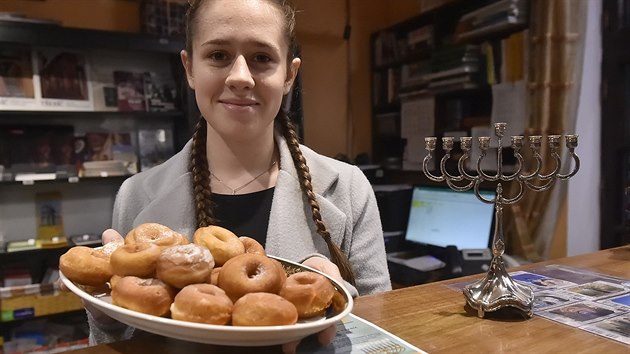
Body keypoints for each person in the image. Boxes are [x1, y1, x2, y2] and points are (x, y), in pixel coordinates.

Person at [85, 0, 391, 352]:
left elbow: (380, 324)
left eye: (262, 58)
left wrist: (336, 302)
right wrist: (105, 314)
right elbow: (120, 339)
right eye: (218, 55)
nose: (241, 77)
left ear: (289, 75)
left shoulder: (349, 187)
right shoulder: (135, 195)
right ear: (189, 69)